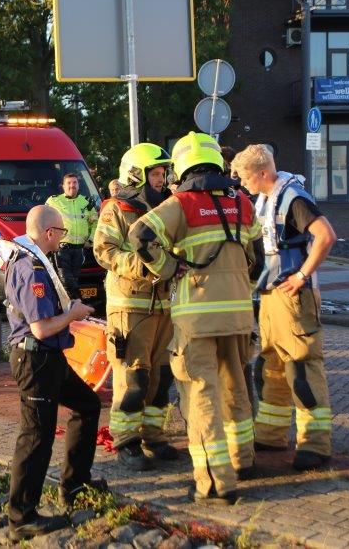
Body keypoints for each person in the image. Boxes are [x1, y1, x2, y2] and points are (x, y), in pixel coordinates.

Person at [129, 132, 263, 505]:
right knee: (237, 387)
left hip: (196, 319)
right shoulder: (242, 203)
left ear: (184, 165)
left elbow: (140, 234)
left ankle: (216, 483)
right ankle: (243, 460)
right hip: (238, 316)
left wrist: (169, 266)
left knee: (201, 396)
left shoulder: (181, 203)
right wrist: (239, 285)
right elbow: (259, 257)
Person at [231, 143, 337, 472]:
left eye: (246, 176)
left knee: (302, 369)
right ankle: (272, 434)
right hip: (271, 296)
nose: (243, 182)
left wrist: (303, 275)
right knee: (272, 368)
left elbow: (326, 235)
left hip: (293, 298)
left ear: (264, 173)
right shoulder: (264, 199)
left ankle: (315, 444)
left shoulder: (293, 198)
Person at [4, 205, 103, 541]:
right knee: (36, 435)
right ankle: (21, 517)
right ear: (49, 233)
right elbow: (41, 328)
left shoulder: (32, 260)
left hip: (48, 358)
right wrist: (73, 313)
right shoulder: (32, 268)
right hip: (35, 359)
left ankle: (75, 483)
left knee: (87, 406)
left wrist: (72, 312)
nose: (63, 238)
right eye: (61, 232)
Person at [93, 143, 178, 470]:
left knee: (161, 376)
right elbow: (105, 251)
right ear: (137, 175)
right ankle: (126, 440)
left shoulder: (166, 208)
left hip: (164, 307)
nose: (161, 179)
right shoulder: (116, 209)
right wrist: (144, 266)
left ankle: (153, 436)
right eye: (155, 173)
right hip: (130, 306)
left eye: (162, 173)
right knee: (134, 375)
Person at [45, 173, 98, 299]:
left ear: (78, 185)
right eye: (69, 183)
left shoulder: (86, 202)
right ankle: (76, 303)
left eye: (75, 183)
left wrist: (90, 240)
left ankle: (67, 308)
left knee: (73, 279)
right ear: (63, 186)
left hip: (80, 250)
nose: (72, 185)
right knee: (66, 280)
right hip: (62, 248)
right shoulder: (54, 201)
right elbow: (44, 220)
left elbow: (95, 222)